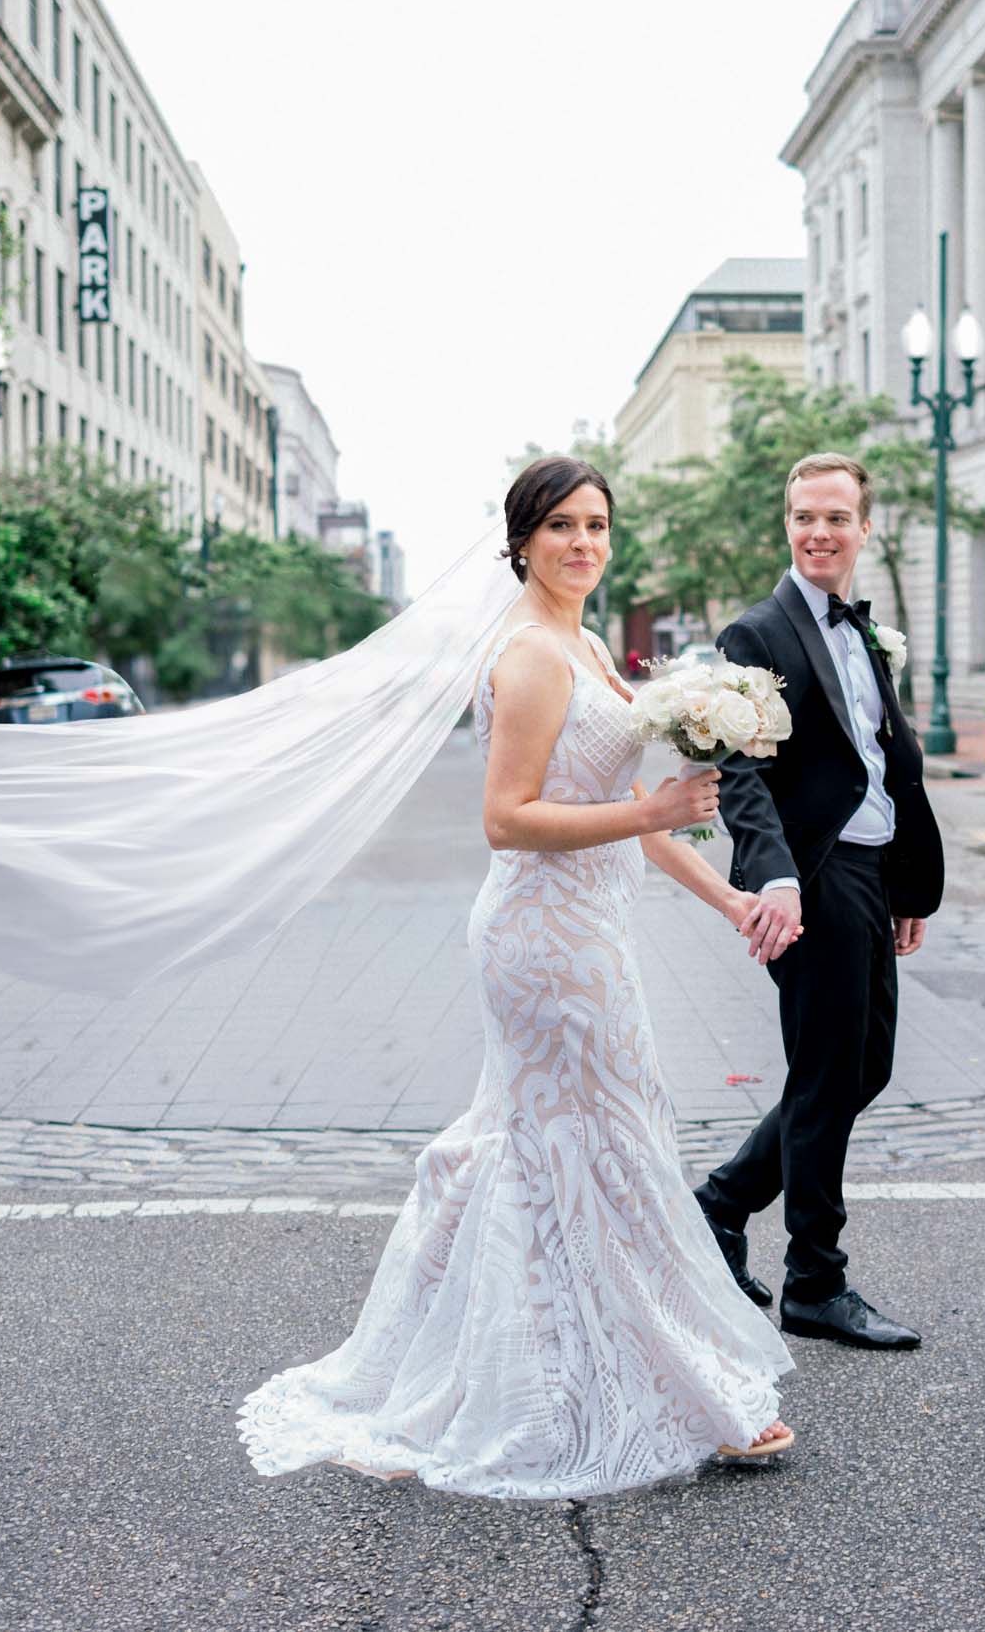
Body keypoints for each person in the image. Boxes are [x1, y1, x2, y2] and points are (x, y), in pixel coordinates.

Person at [237, 457, 797, 1498]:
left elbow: (629, 798)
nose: (583, 543)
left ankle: (551, 1365)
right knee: (600, 1141)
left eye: (596, 526)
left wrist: (723, 900)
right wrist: (649, 814)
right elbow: (509, 819)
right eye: (560, 527)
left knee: (570, 1141)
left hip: (588, 926)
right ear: (521, 540)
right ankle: (671, 1388)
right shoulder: (532, 654)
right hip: (541, 941)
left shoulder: (584, 640)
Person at [693, 452, 945, 1352]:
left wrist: (908, 880)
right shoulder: (756, 633)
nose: (818, 532)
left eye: (836, 517)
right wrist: (775, 879)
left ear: (863, 529)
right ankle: (816, 1280)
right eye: (804, 516)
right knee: (831, 1067)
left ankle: (720, 1204)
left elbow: (886, 761)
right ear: (787, 524)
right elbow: (741, 774)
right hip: (813, 875)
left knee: (860, 1067)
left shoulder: (866, 635)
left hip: (872, 870)